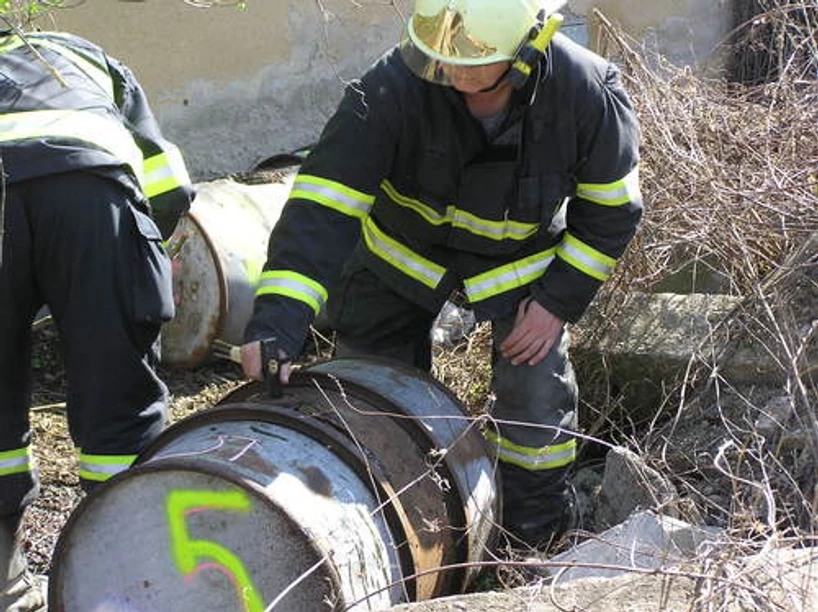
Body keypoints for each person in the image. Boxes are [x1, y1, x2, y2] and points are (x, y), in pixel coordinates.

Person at [241, 0, 642, 552]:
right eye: (440, 60)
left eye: (472, 66)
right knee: (366, 398)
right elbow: (322, 208)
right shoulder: (389, 89)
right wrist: (278, 319)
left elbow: (612, 211)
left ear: (526, 54)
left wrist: (555, 303)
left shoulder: (585, 92)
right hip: (398, 262)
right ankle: (394, 529)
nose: (452, 76)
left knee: (534, 397)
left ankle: (530, 536)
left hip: (519, 273)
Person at [0, 28, 195, 608]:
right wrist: (134, 266)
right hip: (92, 194)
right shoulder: (86, 59)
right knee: (120, 398)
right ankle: (125, 582)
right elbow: (168, 185)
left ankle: (6, 583)